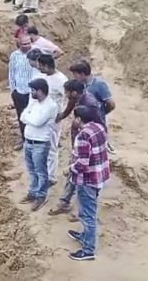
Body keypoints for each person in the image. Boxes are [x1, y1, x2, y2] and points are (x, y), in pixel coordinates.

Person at [49, 79, 103, 216]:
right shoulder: (77, 97)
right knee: (76, 173)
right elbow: (69, 107)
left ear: (74, 92)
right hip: (79, 143)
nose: (66, 95)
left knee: (85, 177)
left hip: (87, 145)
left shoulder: (90, 104)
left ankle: (84, 211)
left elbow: (98, 124)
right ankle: (65, 202)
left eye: (67, 93)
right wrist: (60, 117)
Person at [67, 106, 110, 261]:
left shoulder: (83, 135)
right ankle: (85, 236)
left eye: (74, 118)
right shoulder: (99, 127)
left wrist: (70, 168)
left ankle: (88, 250)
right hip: (99, 176)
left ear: (79, 119)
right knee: (89, 209)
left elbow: (82, 164)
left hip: (87, 179)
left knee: (87, 214)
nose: (73, 121)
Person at [20, 78, 59, 211]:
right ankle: (33, 193)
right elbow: (22, 117)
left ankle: (41, 196)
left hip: (40, 144)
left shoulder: (51, 106)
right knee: (32, 170)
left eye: (33, 90)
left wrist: (29, 118)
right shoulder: (34, 103)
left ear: (40, 91)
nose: (31, 92)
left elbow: (37, 122)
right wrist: (30, 118)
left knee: (41, 172)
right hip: (29, 141)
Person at [69, 60, 115, 152]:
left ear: (82, 74)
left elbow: (111, 104)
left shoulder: (99, 84)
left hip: (95, 124)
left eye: (75, 74)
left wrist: (100, 113)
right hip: (81, 124)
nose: (74, 77)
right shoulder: (79, 85)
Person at [37, 54, 69, 184]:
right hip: (43, 117)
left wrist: (63, 114)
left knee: (51, 148)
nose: (39, 69)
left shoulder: (61, 80)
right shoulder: (45, 77)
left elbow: (71, 98)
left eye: (40, 66)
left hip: (52, 120)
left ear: (46, 66)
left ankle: (51, 177)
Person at [9, 36, 35, 149]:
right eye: (24, 44)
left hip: (33, 92)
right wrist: (13, 90)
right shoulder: (14, 56)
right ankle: (25, 140)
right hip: (19, 91)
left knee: (34, 116)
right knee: (22, 117)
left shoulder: (36, 53)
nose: (27, 45)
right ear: (19, 44)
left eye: (28, 43)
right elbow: (11, 73)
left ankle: (35, 140)